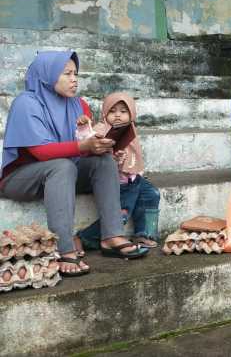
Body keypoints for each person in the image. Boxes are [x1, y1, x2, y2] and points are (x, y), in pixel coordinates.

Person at [0, 51, 147, 277]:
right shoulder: (26, 103)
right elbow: (41, 151)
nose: (74, 79)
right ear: (47, 75)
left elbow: (84, 147)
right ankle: (63, 247)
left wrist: (98, 146)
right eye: (67, 73)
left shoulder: (79, 105)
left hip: (62, 177)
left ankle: (111, 235)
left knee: (103, 160)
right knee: (63, 166)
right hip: (21, 179)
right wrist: (84, 147)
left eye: (76, 73)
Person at [76, 92, 161, 251]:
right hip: (119, 183)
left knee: (152, 194)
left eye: (123, 111)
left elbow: (134, 156)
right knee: (120, 215)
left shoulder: (130, 130)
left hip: (133, 177)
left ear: (132, 114)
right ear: (104, 113)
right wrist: (83, 128)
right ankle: (85, 237)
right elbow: (87, 138)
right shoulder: (101, 128)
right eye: (112, 111)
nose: (117, 116)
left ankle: (144, 234)